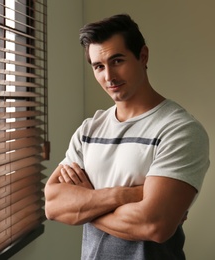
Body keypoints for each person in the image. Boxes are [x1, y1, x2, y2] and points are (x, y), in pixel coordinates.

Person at [44, 14, 210, 260]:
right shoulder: (89, 130)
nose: (108, 77)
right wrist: (128, 195)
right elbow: (53, 206)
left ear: (143, 56)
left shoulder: (179, 130)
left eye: (117, 60)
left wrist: (85, 205)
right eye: (98, 66)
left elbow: (154, 225)